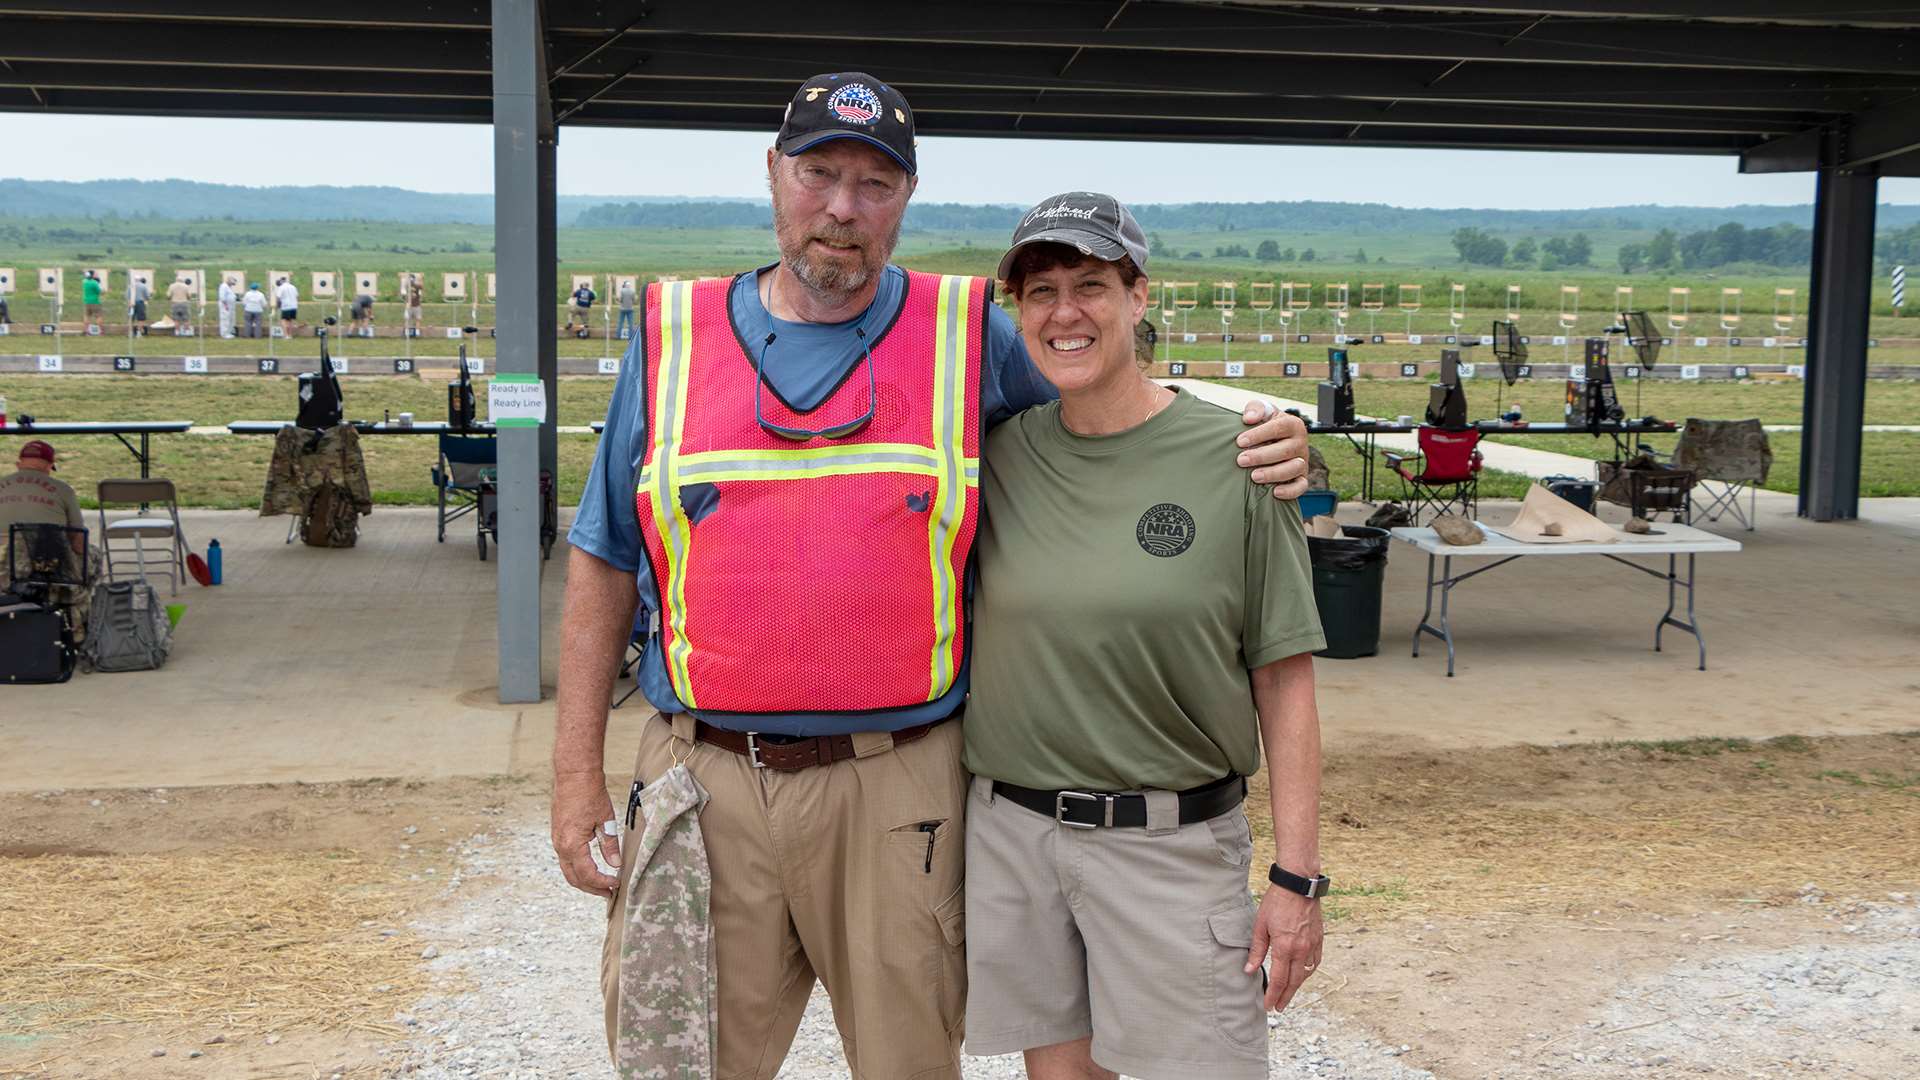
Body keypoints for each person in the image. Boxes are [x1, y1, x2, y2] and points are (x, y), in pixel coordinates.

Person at [555, 72, 1311, 1080]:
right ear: (773, 174)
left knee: (909, 1061)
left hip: (895, 780)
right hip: (702, 774)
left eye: (874, 184)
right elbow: (605, 561)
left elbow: (1112, 396)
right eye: (819, 174)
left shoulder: (968, 333)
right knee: (683, 1061)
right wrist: (574, 784)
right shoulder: (672, 334)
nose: (841, 208)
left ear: (905, 198)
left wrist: (1265, 428)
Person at [963, 194, 1326, 1080]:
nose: (1064, 312)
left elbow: (1284, 681)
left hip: (1169, 844)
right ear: (1017, 312)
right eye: (1040, 290)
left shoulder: (1237, 460)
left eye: (1090, 284)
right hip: (1014, 837)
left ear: (1137, 296)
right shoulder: (997, 455)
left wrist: (1298, 878)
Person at [0, 440, 86, 594]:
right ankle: (79, 611)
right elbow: (78, 543)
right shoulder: (63, 490)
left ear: (19, 464)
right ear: (49, 466)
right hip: (46, 567)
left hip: (2, 569)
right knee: (93, 557)